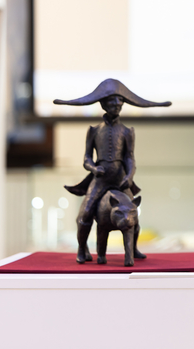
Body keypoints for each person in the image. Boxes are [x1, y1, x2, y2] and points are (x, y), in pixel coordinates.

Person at [57, 79, 170, 264]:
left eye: (120, 101)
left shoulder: (127, 131)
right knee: (85, 214)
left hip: (120, 179)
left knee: (132, 213)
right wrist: (94, 168)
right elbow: (87, 158)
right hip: (100, 179)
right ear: (103, 104)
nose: (117, 105)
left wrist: (129, 176)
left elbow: (130, 157)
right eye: (112, 101)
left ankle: (133, 248)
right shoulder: (94, 131)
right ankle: (82, 248)